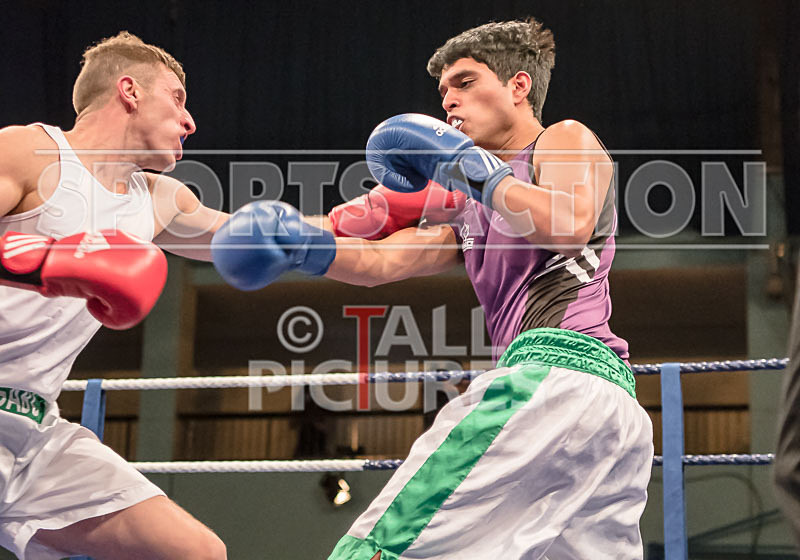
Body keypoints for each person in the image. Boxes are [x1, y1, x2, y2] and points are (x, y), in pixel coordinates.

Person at [212, 17, 654, 560]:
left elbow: (568, 224)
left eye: (465, 83)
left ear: (518, 86)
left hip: (552, 377)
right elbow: (383, 259)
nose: (448, 102)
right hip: (611, 415)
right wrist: (303, 244)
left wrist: (470, 171)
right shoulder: (472, 205)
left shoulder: (561, 139)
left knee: (381, 546)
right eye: (443, 91)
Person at [0, 32, 230, 559]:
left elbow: (270, 242)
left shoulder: (158, 200)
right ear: (130, 90)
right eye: (177, 97)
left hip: (33, 433)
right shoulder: (27, 153)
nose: (191, 120)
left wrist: (381, 217)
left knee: (195, 553)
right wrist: (45, 264)